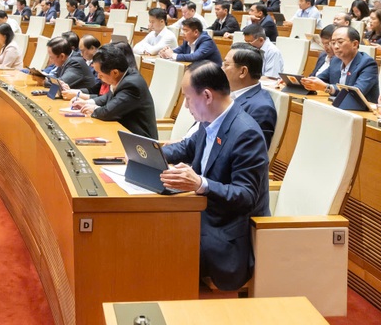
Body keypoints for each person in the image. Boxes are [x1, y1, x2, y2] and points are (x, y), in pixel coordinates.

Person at [160, 62, 269, 291]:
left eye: (188, 98)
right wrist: (147, 153)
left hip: (225, 233)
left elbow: (246, 195)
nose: (185, 106)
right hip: (201, 215)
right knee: (154, 228)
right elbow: (187, 148)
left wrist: (201, 184)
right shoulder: (211, 119)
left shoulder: (246, 133)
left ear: (207, 96)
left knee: (162, 245)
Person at [73, 45, 157, 138]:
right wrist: (87, 102)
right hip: (120, 132)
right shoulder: (122, 76)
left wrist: (93, 109)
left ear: (115, 72)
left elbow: (108, 113)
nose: (98, 77)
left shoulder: (132, 85)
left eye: (100, 73)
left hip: (138, 140)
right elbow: (107, 97)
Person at [301, 26, 380, 102]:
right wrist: (303, 82)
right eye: (333, 43)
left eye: (340, 42)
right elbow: (319, 79)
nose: (335, 47)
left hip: (360, 109)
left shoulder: (367, 64)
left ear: (355, 44)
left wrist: (327, 87)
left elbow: (356, 94)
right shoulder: (335, 61)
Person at [223, 43, 278, 146]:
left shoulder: (261, 109)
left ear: (243, 72)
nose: (221, 69)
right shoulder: (226, 93)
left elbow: (250, 152)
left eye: (226, 65)